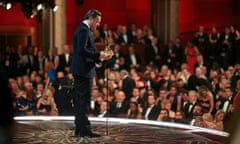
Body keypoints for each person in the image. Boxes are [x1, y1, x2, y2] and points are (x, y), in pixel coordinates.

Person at [70, 9, 112, 138]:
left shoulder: (83, 29)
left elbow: (84, 51)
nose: (98, 25)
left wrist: (98, 58)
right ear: (91, 19)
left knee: (80, 100)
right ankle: (84, 130)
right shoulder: (83, 30)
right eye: (97, 22)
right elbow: (82, 50)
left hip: (81, 70)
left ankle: (79, 129)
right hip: (83, 71)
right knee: (84, 101)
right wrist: (99, 54)